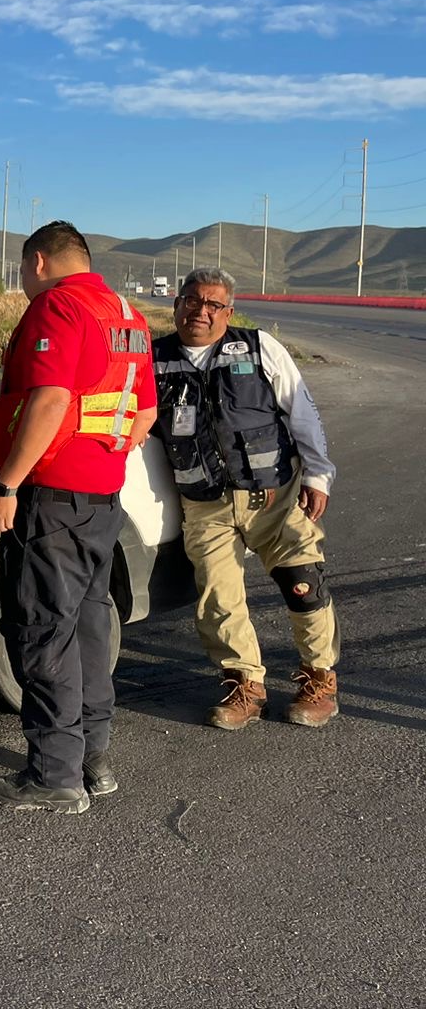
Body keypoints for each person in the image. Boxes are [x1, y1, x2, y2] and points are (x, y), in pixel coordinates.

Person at [0, 222, 157, 813]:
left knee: (41, 631)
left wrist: (7, 483)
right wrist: (100, 459)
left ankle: (55, 776)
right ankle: (92, 761)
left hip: (52, 499)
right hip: (103, 500)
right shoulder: (126, 315)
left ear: (38, 261)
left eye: (23, 270)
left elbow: (51, 399)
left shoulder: (58, 306)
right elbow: (144, 414)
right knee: (89, 628)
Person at [151, 268, 340, 729]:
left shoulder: (258, 347)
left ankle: (320, 679)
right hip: (204, 503)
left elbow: (301, 410)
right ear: (177, 305)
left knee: (303, 585)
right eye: (192, 300)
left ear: (228, 311)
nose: (201, 311)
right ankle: (246, 686)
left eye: (213, 304)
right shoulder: (153, 360)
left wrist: (318, 475)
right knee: (219, 599)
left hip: (275, 496)